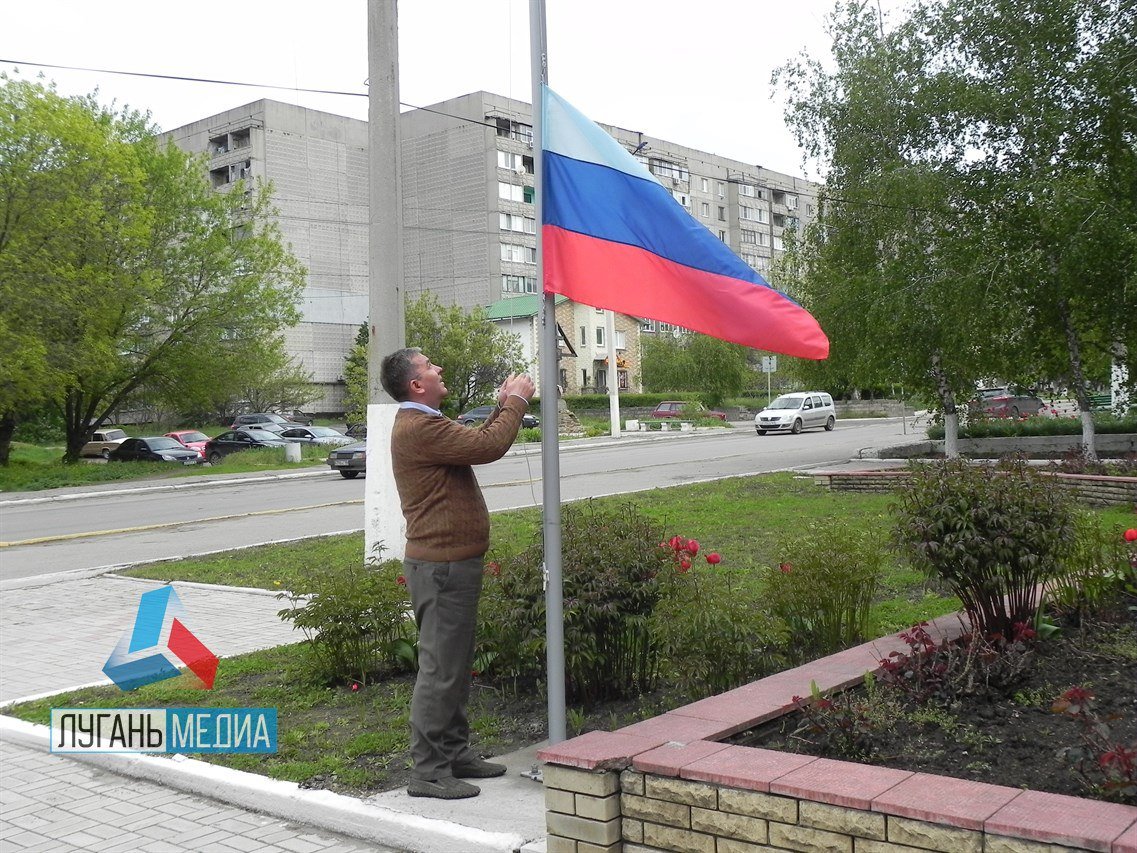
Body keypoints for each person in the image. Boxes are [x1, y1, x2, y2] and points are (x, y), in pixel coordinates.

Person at [379, 347, 536, 800]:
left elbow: (476, 440)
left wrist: (503, 404)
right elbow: (488, 446)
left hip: (451, 563)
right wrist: (516, 401)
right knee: (440, 669)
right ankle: (428, 772)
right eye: (430, 366)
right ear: (416, 385)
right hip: (442, 566)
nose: (439, 368)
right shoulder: (419, 427)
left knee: (455, 663)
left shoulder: (426, 424)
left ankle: (454, 753)